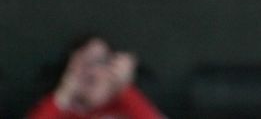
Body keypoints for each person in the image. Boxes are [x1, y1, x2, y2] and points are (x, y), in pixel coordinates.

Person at [27, 36, 162, 119]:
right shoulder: (56, 111)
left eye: (101, 61)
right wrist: (61, 97)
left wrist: (124, 89)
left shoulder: (129, 107)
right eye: (84, 63)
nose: (92, 71)